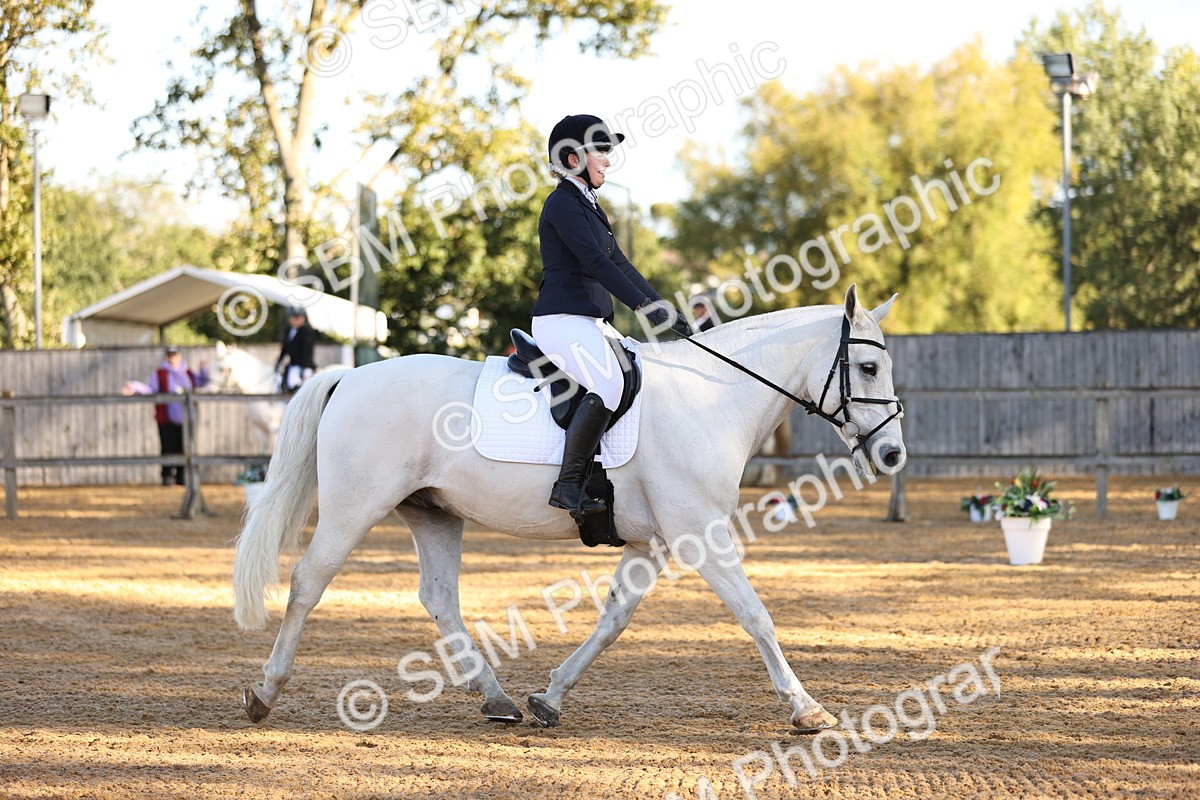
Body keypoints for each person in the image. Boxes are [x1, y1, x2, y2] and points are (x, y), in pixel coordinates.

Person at [531, 114, 692, 516]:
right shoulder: (562, 204)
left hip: (590, 322)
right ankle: (568, 484)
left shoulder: (590, 208)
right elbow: (594, 263)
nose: (608, 159)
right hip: (560, 320)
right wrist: (640, 307)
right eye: (600, 150)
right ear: (571, 158)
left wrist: (663, 309)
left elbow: (620, 263)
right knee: (608, 385)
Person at [123, 345, 209, 486]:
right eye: (170, 355)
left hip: (186, 419)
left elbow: (201, 382)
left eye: (174, 354)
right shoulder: (161, 373)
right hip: (167, 418)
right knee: (168, 446)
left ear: (179, 356)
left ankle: (181, 477)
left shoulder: (188, 373)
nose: (172, 357)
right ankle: (167, 476)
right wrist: (134, 386)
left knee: (184, 447)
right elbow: (150, 388)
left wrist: (203, 369)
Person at [276, 306, 316, 394]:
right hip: (292, 364)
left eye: (298, 317)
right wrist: (279, 362)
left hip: (303, 365)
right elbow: (285, 349)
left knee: (297, 380)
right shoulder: (288, 331)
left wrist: (305, 367)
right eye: (294, 317)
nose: (296, 320)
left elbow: (307, 352)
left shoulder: (306, 332)